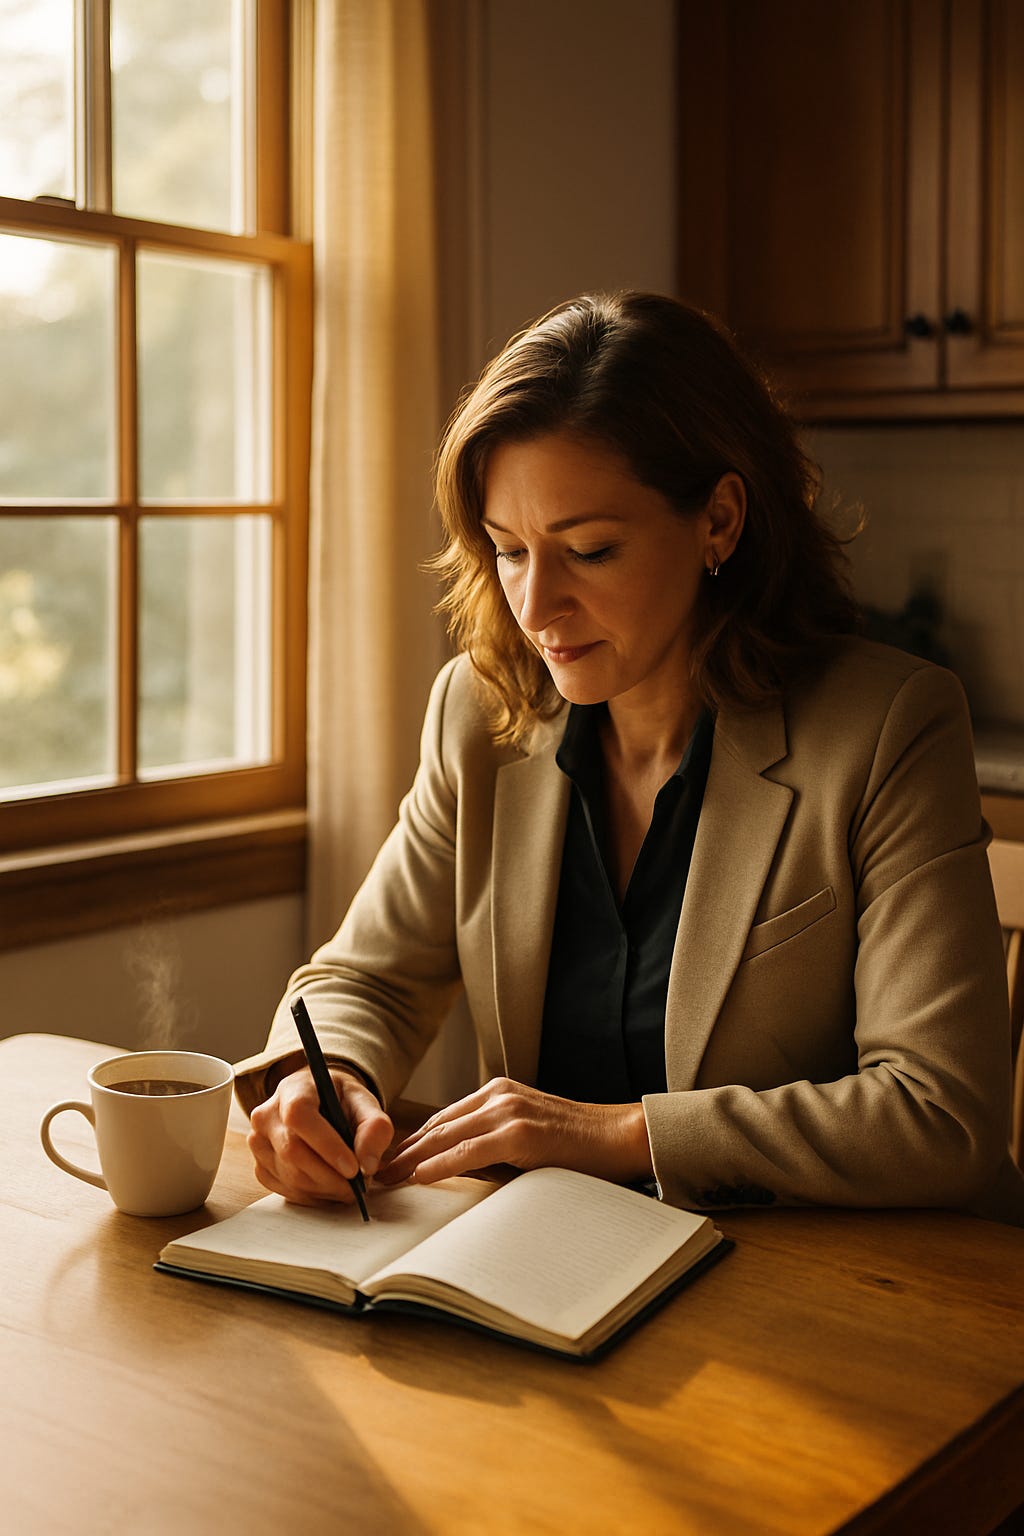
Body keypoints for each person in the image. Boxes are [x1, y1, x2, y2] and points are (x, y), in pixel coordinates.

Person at [236, 291, 1024, 1226]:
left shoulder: (890, 726)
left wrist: (616, 1136)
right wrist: (326, 1082)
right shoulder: (477, 716)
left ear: (720, 521)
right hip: (557, 1265)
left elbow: (940, 1114)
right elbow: (368, 978)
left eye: (590, 550)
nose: (534, 607)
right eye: (508, 551)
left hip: (827, 1285)